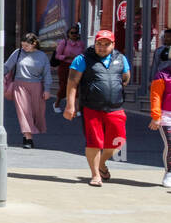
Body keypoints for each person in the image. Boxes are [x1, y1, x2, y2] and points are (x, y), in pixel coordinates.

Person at [64, 30, 131, 187]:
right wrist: (70, 105)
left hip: (115, 107)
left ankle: (101, 164)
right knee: (94, 142)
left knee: (118, 141)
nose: (101, 47)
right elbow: (72, 83)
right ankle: (95, 175)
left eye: (106, 44)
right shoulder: (82, 59)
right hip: (91, 107)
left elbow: (125, 78)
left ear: (113, 45)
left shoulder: (121, 59)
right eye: (99, 44)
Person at [4, 33, 50, 148]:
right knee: (24, 111)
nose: (24, 48)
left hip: (37, 86)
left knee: (36, 112)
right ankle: (28, 138)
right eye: (22, 45)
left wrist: (47, 89)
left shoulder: (42, 56)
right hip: (20, 86)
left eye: (26, 46)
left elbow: (47, 74)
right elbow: (7, 66)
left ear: (34, 44)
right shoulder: (18, 52)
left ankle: (30, 133)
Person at [147, 57, 171, 188]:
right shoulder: (162, 75)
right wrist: (156, 116)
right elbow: (156, 97)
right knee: (170, 144)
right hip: (167, 116)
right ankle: (169, 172)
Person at [51, 24, 85, 113]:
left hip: (76, 67)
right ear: (68, 34)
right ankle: (56, 104)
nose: (74, 34)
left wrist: (79, 57)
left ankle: (76, 109)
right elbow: (57, 56)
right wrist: (67, 57)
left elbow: (83, 55)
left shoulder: (81, 44)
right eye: (72, 33)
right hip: (65, 66)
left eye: (76, 33)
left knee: (76, 87)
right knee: (64, 86)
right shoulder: (64, 42)